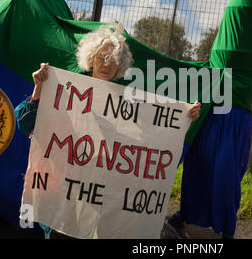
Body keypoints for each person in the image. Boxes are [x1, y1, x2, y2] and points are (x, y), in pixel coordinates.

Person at [15, 22, 201, 238]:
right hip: (65, 199)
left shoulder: (126, 103)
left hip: (102, 204)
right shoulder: (66, 90)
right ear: (91, 57)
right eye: (102, 57)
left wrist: (183, 119)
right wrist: (39, 90)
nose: (106, 63)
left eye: (113, 60)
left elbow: (149, 141)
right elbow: (25, 123)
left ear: (120, 66)